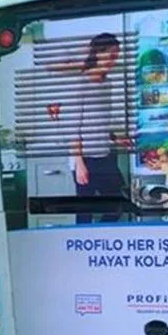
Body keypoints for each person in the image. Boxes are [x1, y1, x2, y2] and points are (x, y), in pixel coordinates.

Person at [69, 33, 129, 224]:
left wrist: (115, 138)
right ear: (98, 54)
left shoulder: (107, 84)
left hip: (105, 155)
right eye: (111, 56)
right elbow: (74, 127)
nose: (114, 61)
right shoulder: (80, 83)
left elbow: (100, 121)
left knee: (118, 204)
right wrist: (79, 163)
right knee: (85, 212)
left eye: (116, 57)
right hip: (85, 157)